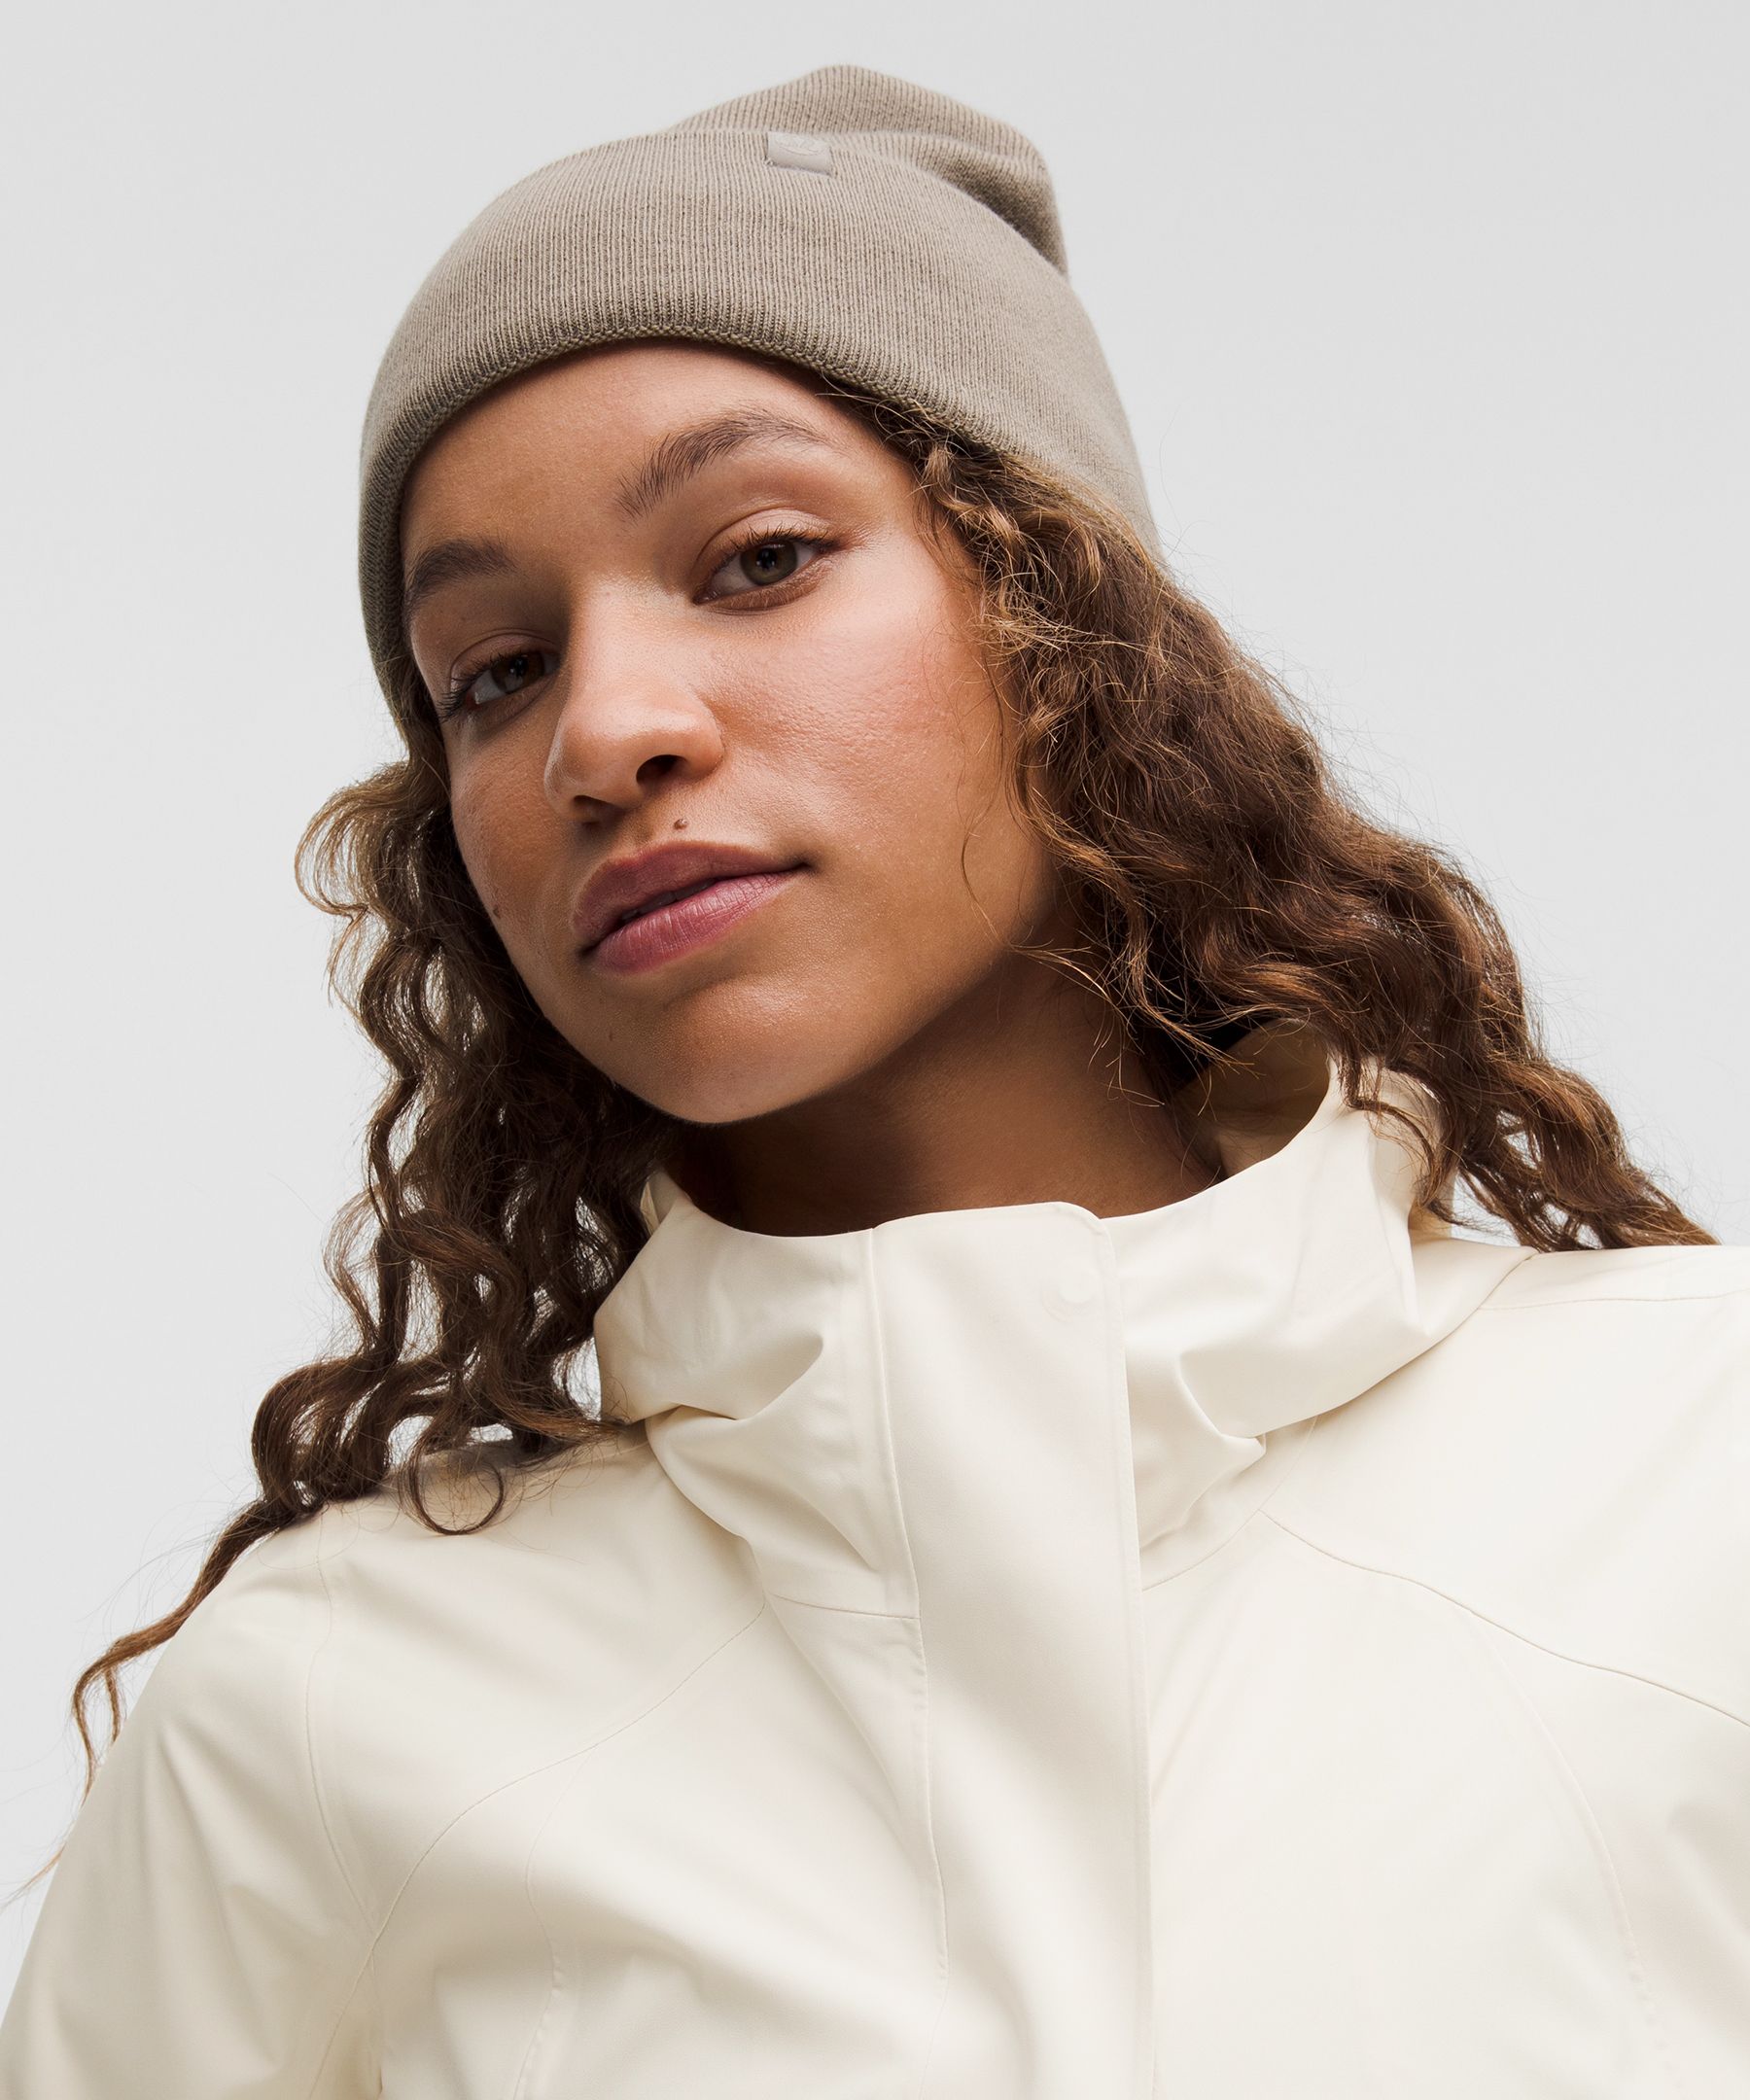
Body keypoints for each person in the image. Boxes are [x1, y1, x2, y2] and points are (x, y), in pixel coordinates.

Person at [3, 60, 1746, 2100]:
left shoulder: (1692, 1469)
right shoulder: (310, 1725)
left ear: (1065, 618)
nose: (606, 733)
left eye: (756, 558)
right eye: (495, 671)